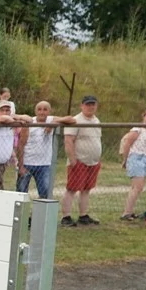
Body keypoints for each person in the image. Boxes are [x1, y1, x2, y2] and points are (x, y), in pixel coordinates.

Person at [16, 101, 74, 199]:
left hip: (44, 165)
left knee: (45, 194)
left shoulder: (51, 119)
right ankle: (21, 214)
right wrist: (21, 165)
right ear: (35, 111)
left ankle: (40, 214)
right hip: (27, 163)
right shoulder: (30, 122)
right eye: (39, 109)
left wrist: (54, 123)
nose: (42, 112)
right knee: (21, 193)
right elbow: (21, 145)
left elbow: (72, 120)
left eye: (45, 109)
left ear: (49, 111)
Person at [61, 95, 103, 227]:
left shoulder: (96, 120)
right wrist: (73, 160)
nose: (90, 107)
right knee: (72, 189)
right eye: (88, 104)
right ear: (82, 106)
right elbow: (68, 140)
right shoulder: (75, 120)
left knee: (86, 189)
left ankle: (83, 215)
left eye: (93, 104)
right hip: (79, 161)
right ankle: (66, 217)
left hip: (93, 161)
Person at [118, 108, 146, 220]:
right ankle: (126, 213)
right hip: (136, 157)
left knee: (138, 188)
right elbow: (127, 143)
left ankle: (129, 211)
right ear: (144, 116)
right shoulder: (137, 129)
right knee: (137, 187)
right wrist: (125, 159)